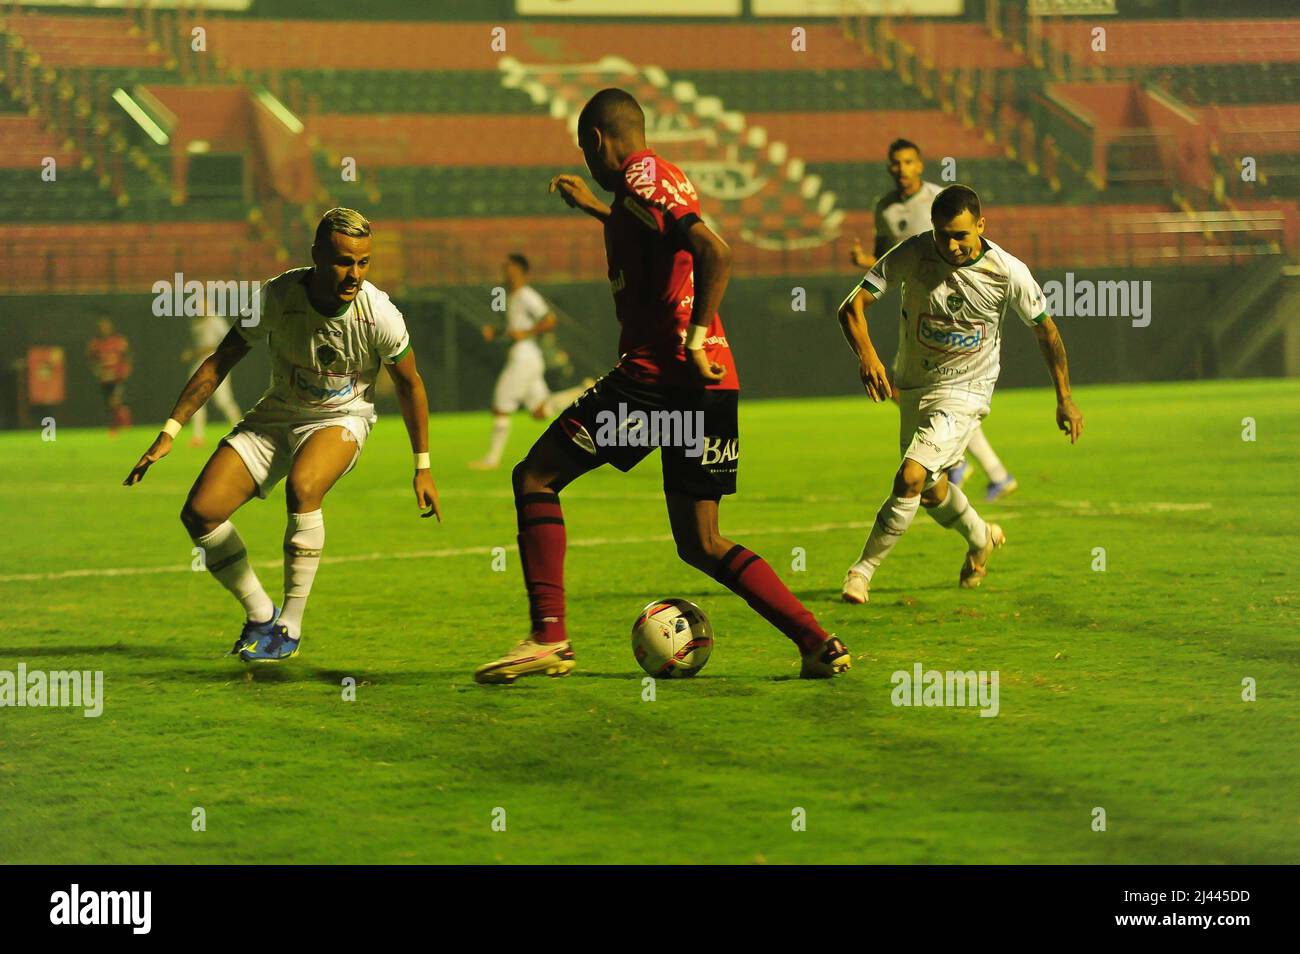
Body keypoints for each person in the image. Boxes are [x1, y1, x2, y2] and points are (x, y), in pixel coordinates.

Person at [472, 88, 849, 684]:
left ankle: (549, 637)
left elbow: (713, 252)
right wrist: (597, 207)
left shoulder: (643, 175)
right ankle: (815, 640)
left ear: (596, 141)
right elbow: (660, 237)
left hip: (658, 379)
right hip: (707, 390)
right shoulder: (637, 190)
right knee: (701, 542)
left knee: (535, 477)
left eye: (585, 149)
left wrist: (695, 339)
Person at [124, 208, 442, 662]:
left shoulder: (381, 315)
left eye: (363, 262)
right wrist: (170, 430)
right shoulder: (277, 296)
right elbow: (221, 360)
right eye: (342, 261)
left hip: (343, 418)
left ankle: (288, 627)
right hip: (278, 414)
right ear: (315, 255)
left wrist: (422, 466)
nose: (354, 274)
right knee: (200, 514)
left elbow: (411, 384)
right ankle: (259, 613)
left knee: (304, 486)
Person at [837, 184, 1083, 606]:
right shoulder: (913, 253)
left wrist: (1064, 397)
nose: (951, 245)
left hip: (966, 392)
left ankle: (862, 571)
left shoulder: (1008, 271)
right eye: (942, 235)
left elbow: (1047, 330)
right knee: (930, 491)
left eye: (961, 235)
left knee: (910, 477)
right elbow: (851, 307)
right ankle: (980, 537)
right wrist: (868, 357)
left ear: (981, 226)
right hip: (914, 386)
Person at [851, 139, 1018, 502]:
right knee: (930, 393)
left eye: (908, 161)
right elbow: (886, 259)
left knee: (942, 391)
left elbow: (967, 242)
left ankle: (961, 464)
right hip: (914, 306)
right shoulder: (884, 207)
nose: (901, 168)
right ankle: (988, 471)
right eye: (895, 163)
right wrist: (864, 258)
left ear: (920, 165)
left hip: (951, 305)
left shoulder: (939, 200)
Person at [470, 253, 587, 470]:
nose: (505, 271)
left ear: (520, 270)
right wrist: (495, 333)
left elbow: (550, 320)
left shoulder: (526, 295)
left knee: (501, 406)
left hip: (524, 356)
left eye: (509, 267)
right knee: (539, 411)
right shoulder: (509, 296)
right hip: (526, 356)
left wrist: (526, 333)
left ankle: (492, 460)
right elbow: (512, 329)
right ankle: (580, 392)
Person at [182, 307, 241, 447]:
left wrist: (196, 352)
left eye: (201, 308)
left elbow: (227, 341)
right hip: (199, 363)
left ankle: (240, 431)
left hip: (217, 363)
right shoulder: (194, 321)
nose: (198, 311)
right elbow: (198, 343)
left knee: (224, 401)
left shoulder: (215, 320)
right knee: (194, 401)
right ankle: (197, 437)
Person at [87, 318, 132, 435]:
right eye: (101, 327)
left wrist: (124, 371)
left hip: (118, 378)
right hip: (105, 380)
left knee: (117, 402)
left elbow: (127, 357)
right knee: (111, 405)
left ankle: (123, 428)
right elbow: (91, 360)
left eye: (106, 326)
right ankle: (117, 427)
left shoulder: (119, 341)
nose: (104, 329)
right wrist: (98, 372)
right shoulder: (96, 344)